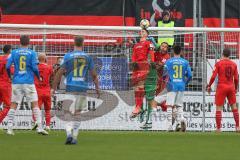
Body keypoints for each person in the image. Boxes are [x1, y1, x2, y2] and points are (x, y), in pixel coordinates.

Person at [52, 36, 100, 145]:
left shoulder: (68, 56)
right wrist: (97, 88)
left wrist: (53, 88)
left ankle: (69, 134)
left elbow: (59, 73)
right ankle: (74, 137)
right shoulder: (87, 57)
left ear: (74, 43)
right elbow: (94, 75)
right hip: (82, 87)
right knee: (78, 113)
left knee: (67, 111)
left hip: (70, 87)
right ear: (83, 43)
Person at [6, 35, 48, 135]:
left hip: (16, 81)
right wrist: (38, 77)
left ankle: (9, 128)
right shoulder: (32, 53)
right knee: (35, 104)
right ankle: (40, 128)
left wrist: (10, 76)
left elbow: (7, 66)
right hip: (29, 82)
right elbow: (34, 67)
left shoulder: (14, 52)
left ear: (19, 42)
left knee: (14, 104)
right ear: (29, 42)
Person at [207, 48, 239, 132]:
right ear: (230, 55)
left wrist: (209, 85)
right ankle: (238, 127)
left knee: (219, 108)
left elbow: (213, 76)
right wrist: (235, 88)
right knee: (234, 107)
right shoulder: (234, 64)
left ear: (222, 54)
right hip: (231, 86)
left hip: (221, 87)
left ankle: (218, 128)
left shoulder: (219, 64)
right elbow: (236, 78)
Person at [165, 45, 192, 132]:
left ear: (173, 52)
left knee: (170, 106)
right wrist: (185, 83)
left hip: (171, 85)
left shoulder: (168, 62)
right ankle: (182, 120)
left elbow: (164, 74)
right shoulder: (185, 62)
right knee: (179, 105)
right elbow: (190, 75)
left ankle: (169, 126)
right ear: (181, 52)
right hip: (181, 85)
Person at [130, 29, 155, 119]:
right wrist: (133, 64)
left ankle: (139, 107)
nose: (141, 33)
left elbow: (152, 52)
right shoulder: (136, 45)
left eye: (143, 31)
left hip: (144, 65)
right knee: (136, 88)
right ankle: (138, 106)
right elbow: (133, 57)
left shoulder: (148, 43)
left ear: (147, 34)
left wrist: (151, 62)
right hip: (136, 67)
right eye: (140, 32)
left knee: (140, 86)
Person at [33, 53, 53, 130]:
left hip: (37, 91)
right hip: (47, 90)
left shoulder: (35, 67)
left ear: (38, 59)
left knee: (36, 108)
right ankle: (47, 126)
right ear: (45, 59)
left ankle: (36, 122)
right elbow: (52, 76)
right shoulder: (49, 67)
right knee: (47, 110)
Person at [0, 45, 12, 123]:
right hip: (5, 85)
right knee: (8, 106)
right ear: (10, 50)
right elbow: (12, 71)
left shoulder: (0, 58)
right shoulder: (10, 59)